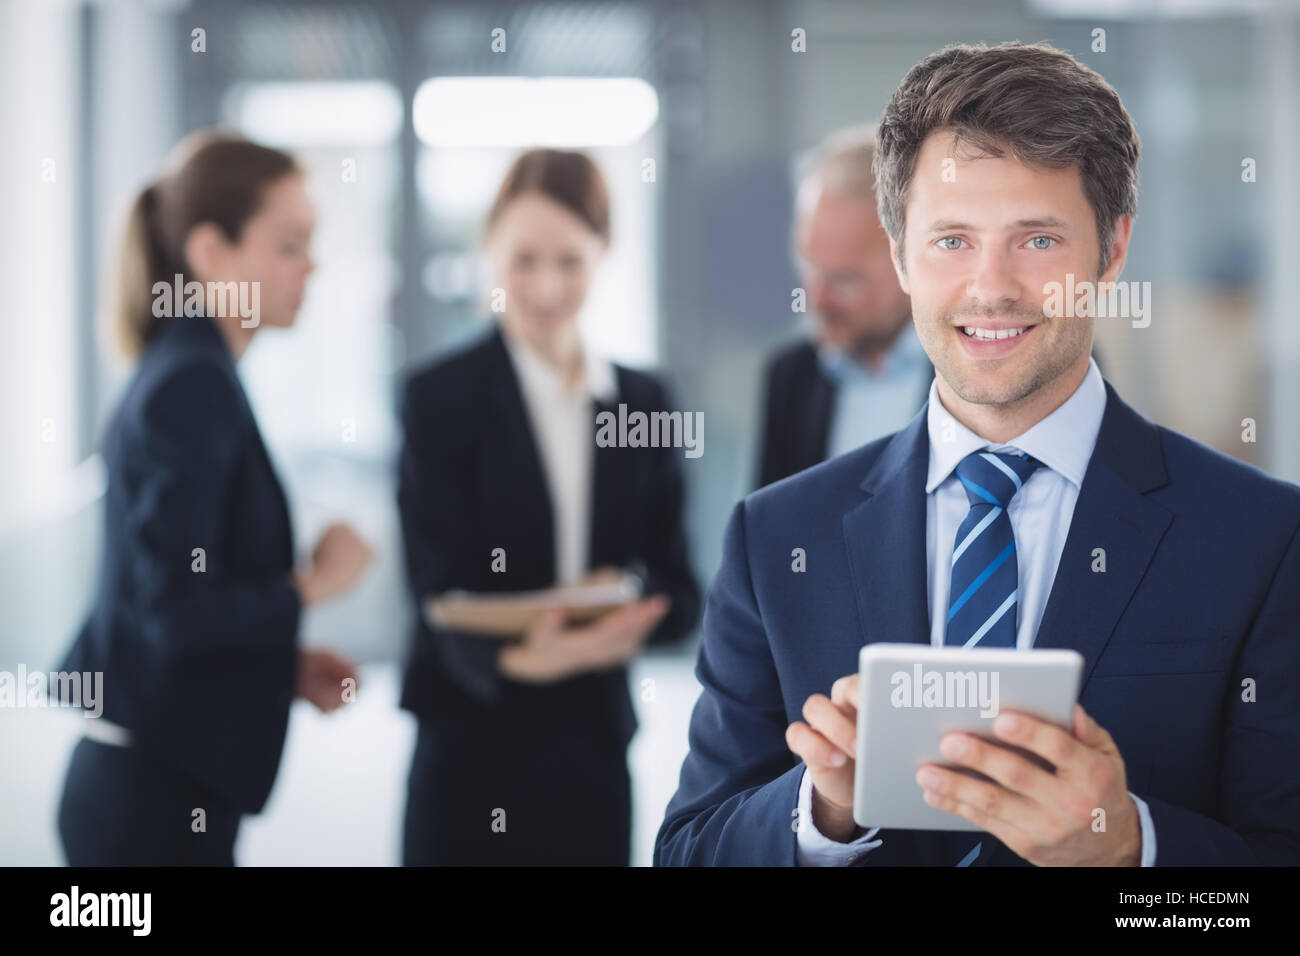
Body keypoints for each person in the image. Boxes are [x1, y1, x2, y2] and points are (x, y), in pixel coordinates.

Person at [657, 41, 1300, 866]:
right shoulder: (776, 538)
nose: (991, 288)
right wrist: (821, 812)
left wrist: (1130, 847)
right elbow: (685, 853)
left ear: (1112, 250)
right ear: (898, 256)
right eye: (952, 240)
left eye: (1037, 241)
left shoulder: (1261, 539)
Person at [55, 133, 373, 866]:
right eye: (289, 244)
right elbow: (176, 607)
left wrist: (278, 667)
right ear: (209, 254)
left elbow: (175, 610)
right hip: (148, 805)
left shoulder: (196, 372)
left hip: (163, 787)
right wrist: (316, 583)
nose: (312, 265)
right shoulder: (191, 385)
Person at [398, 148, 700, 866]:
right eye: (523, 259)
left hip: (590, 747)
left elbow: (681, 587)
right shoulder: (439, 398)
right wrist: (534, 656)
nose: (545, 285)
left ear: (604, 253)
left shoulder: (642, 401)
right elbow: (435, 592)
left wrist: (627, 610)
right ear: (488, 250)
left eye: (570, 260)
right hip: (468, 744)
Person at [757, 128, 930, 489]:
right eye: (810, 267)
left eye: (845, 281)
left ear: (911, 261)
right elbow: (770, 534)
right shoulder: (792, 378)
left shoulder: (974, 373)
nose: (817, 300)